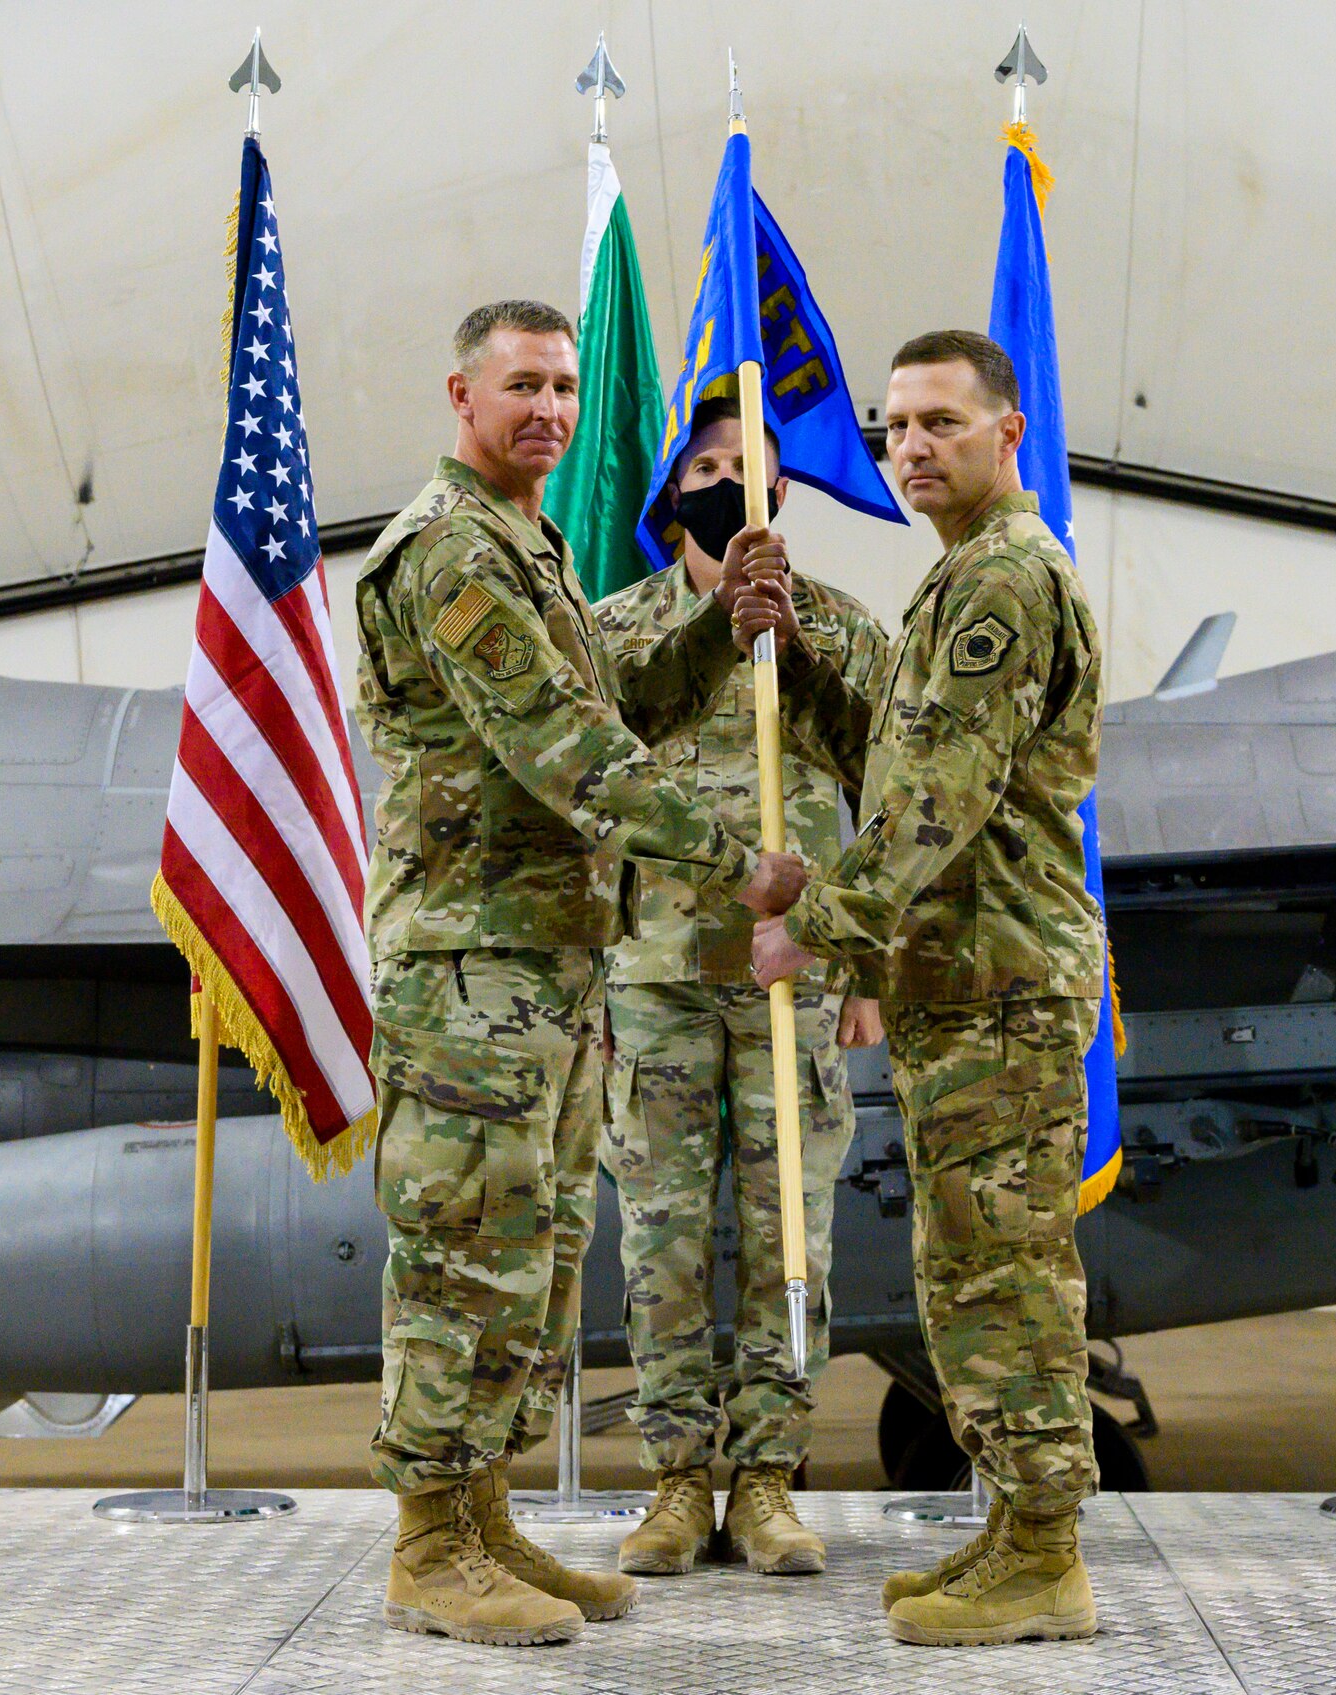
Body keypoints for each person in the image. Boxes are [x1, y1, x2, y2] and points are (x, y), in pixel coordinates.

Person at [353, 299, 806, 1648]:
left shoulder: (527, 542)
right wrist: (738, 860)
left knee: (534, 1256)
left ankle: (485, 1516)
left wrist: (717, 621)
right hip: (469, 963)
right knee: (460, 1257)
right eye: (524, 387)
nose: (550, 409)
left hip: (547, 962)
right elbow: (564, 749)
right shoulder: (448, 551)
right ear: (461, 394)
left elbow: (607, 699)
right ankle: (428, 1542)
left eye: (563, 386)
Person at [750, 329, 1107, 1647]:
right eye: (895, 425)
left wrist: (819, 933)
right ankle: (1016, 1530)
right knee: (971, 1270)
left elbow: (937, 808)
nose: (910, 447)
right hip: (968, 983)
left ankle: (1047, 1555)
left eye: (941, 422)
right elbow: (912, 761)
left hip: (1003, 981)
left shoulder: (1003, 583)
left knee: (1005, 1276)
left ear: (1010, 433)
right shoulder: (958, 582)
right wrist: (807, 659)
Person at [592, 396, 889, 1580]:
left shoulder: (844, 628)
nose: (728, 481)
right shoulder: (610, 630)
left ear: (784, 490)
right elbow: (580, 795)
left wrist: (857, 963)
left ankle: (766, 1479)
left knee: (787, 1234)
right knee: (661, 1237)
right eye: (706, 465)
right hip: (653, 975)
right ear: (671, 494)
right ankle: (674, 1481)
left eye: (748, 465)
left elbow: (886, 788)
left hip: (792, 978)